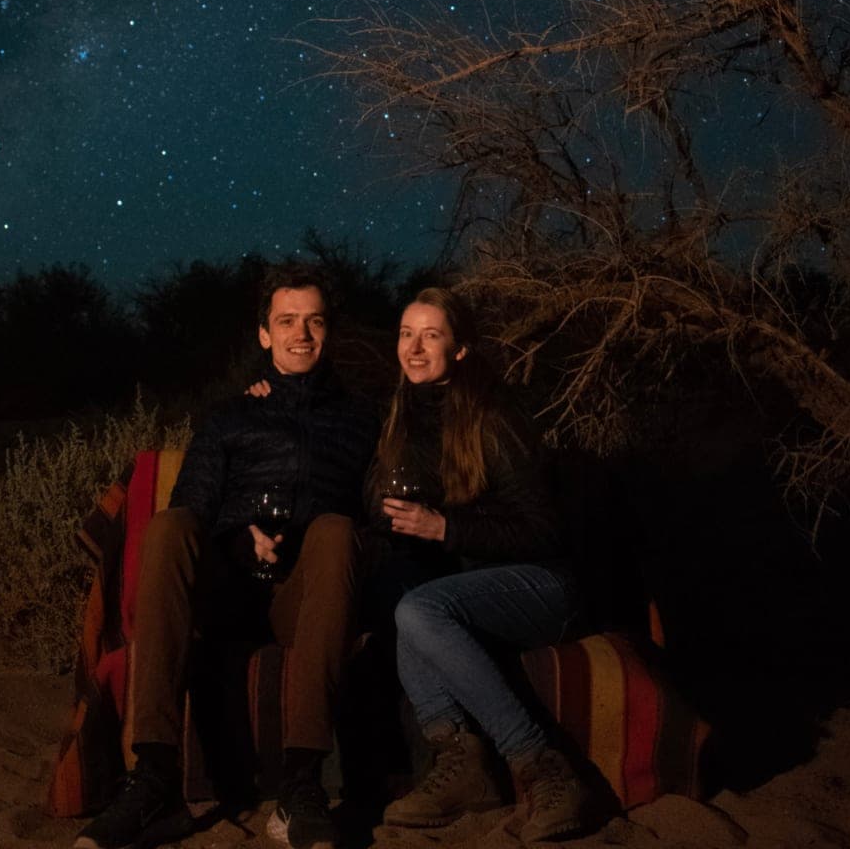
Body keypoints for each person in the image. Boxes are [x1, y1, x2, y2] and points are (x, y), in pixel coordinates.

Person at [74, 264, 378, 849]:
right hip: (227, 590)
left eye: (314, 321)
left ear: (330, 331)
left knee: (339, 529)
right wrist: (239, 539)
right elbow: (193, 508)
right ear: (264, 334)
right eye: (286, 321)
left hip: (304, 598)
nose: (301, 334)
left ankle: (300, 786)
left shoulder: (362, 418)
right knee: (167, 527)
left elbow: (373, 518)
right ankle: (155, 775)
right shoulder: (231, 415)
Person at [372, 287, 597, 844]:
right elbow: (379, 498)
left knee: (422, 607)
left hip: (544, 584)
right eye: (406, 333)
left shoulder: (494, 415)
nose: (415, 348)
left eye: (431, 335)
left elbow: (543, 529)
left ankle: (541, 766)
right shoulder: (405, 414)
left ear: (462, 349)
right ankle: (461, 764)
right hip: (476, 581)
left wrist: (446, 527)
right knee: (404, 598)